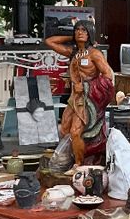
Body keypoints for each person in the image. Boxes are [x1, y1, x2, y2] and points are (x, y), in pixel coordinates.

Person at [45, 19, 114, 167]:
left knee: (75, 132)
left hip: (88, 99)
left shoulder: (94, 54)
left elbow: (108, 75)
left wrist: (88, 86)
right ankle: (71, 159)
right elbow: (50, 42)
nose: (80, 32)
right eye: (78, 30)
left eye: (84, 30)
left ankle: (79, 164)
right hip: (74, 98)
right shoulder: (73, 52)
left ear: (90, 33)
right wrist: (72, 36)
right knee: (64, 130)